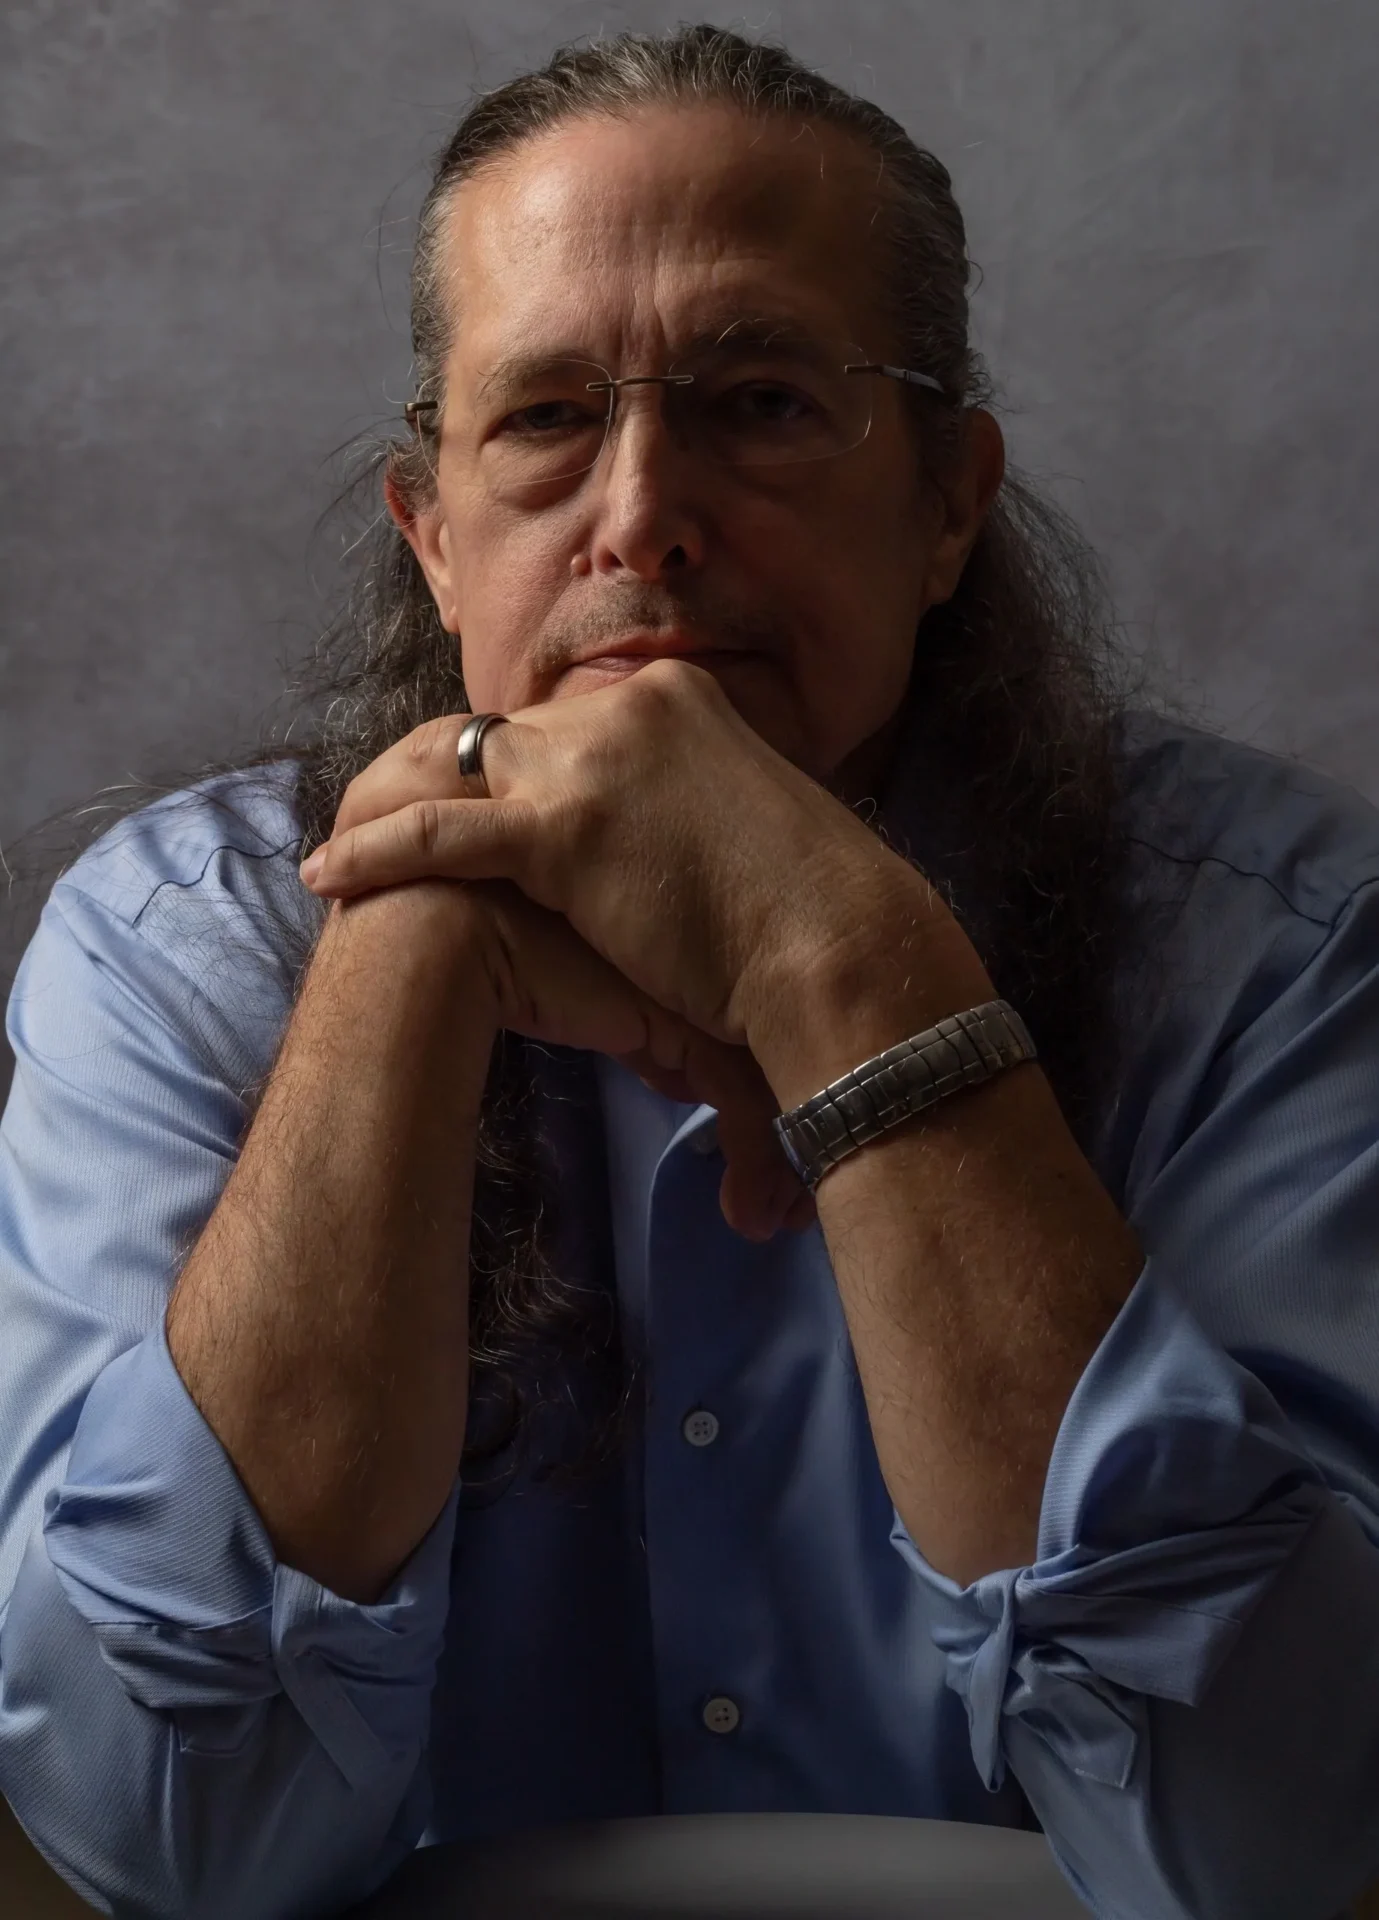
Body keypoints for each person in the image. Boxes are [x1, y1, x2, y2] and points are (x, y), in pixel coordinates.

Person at [1, 22, 1377, 1920]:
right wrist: (399, 950)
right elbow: (166, 1838)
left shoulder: (1286, 950)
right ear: (434, 535)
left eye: (762, 402)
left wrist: (850, 974)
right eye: (548, 417)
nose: (641, 512)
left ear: (948, 503)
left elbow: (1277, 1846)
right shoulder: (179, 955)